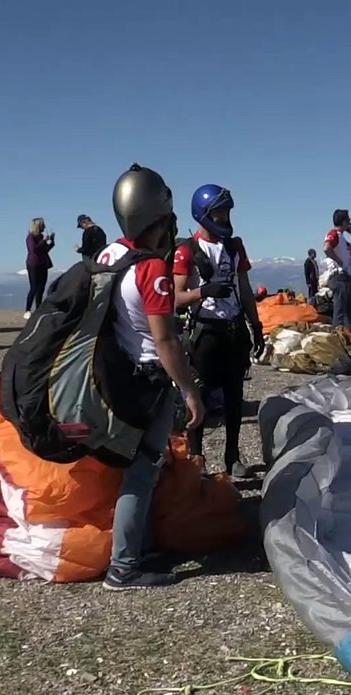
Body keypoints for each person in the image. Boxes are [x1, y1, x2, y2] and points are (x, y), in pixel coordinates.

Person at [95, 163, 204, 590]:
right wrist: (189, 390)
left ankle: (137, 545)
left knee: (130, 468)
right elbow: (165, 340)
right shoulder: (151, 267)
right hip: (147, 382)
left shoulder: (108, 256)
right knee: (143, 471)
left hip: (114, 376)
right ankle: (123, 567)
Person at [172, 183, 264, 479]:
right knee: (198, 396)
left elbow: (244, 288)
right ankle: (196, 460)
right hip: (205, 333)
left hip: (233, 330)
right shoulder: (187, 251)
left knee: (234, 396)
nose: (224, 217)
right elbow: (175, 297)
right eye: (218, 213)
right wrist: (203, 291)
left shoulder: (234, 247)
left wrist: (256, 325)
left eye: (226, 212)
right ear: (203, 214)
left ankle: (232, 457)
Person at [323, 209, 351, 332]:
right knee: (340, 313)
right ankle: (338, 336)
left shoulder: (341, 239)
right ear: (344, 222)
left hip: (345, 278)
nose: (349, 223)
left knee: (349, 312)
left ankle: (350, 335)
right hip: (339, 277)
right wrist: (338, 261)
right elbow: (326, 248)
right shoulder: (334, 234)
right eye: (348, 220)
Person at [24, 217, 55, 319]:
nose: (44, 227)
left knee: (41, 288)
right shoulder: (30, 237)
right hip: (33, 264)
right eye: (42, 225)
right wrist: (43, 241)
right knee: (34, 287)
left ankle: (38, 309)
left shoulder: (40, 237)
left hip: (43, 264)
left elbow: (44, 250)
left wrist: (51, 242)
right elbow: (34, 249)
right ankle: (28, 309)